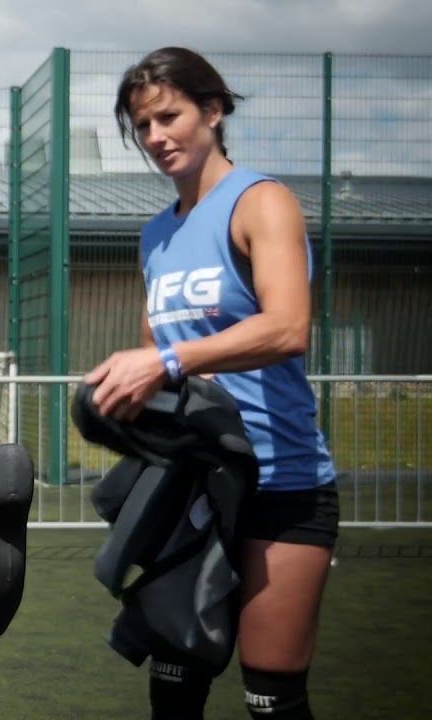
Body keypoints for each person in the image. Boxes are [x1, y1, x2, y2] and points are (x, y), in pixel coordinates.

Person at [86, 46, 338, 720]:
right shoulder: (156, 236)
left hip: (280, 483)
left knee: (271, 697)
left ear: (214, 111)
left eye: (169, 117)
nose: (155, 136)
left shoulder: (261, 201)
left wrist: (166, 362)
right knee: (173, 688)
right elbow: (159, 361)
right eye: (142, 125)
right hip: (194, 485)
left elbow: (287, 327)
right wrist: (120, 393)